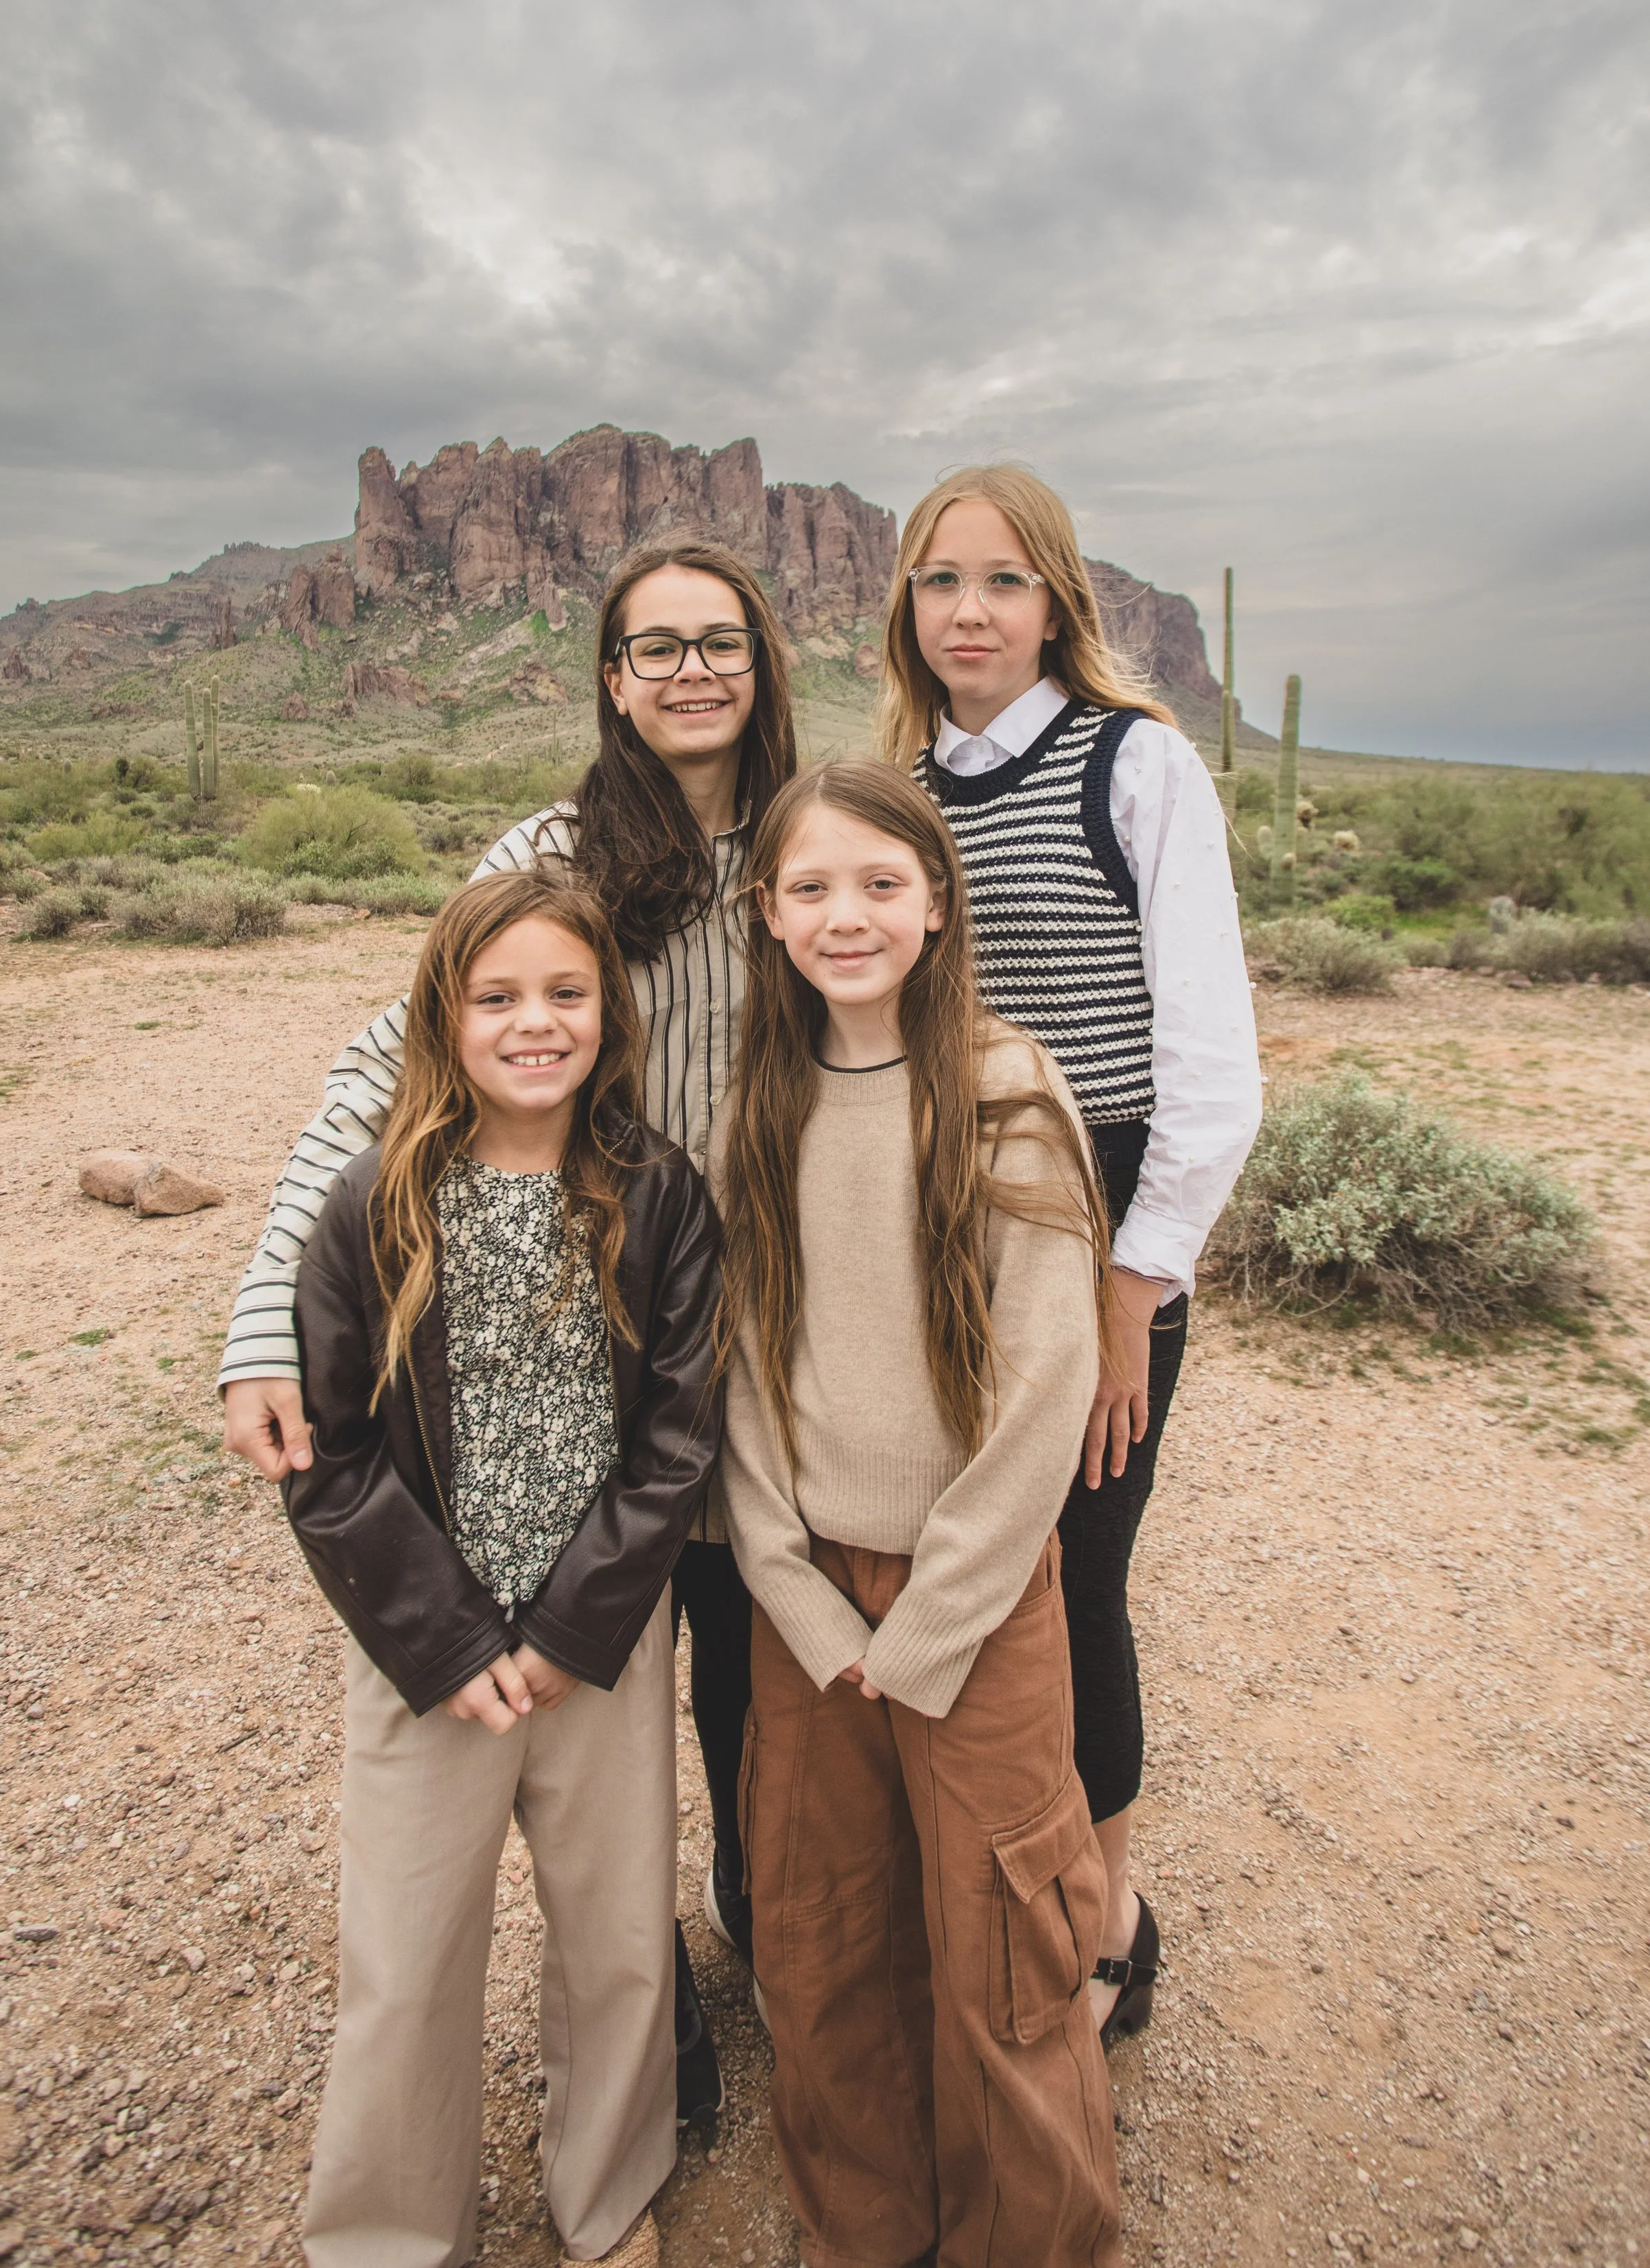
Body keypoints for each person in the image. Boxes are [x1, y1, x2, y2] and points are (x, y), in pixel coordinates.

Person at [219, 536, 796, 2120]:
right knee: (599, 1656)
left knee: (744, 1685)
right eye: (654, 646)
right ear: (611, 679)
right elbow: (377, 1068)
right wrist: (266, 1312)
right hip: (598, 1333)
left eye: (719, 640)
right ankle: (657, 2032)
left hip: (771, 1350)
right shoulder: (552, 844)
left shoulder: (805, 842)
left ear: (765, 661)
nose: (691, 670)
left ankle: (764, 1955)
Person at [717, 761, 1123, 2268]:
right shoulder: (754, 1102)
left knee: (1002, 1955)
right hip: (806, 1607)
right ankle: (864, 2232)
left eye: (880, 884)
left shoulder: (1007, 1089)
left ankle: (1030, 2242)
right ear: (765, 914)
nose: (846, 915)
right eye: (810, 888)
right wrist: (799, 1594)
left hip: (978, 1598)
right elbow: (741, 1374)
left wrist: (930, 1621)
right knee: (825, 1946)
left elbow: (1041, 1383)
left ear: (937, 906)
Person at [286, 866, 722, 2268]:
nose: (534, 1022)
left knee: (614, 1946)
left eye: (565, 993)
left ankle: (604, 2200)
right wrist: (453, 1642)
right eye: (497, 997)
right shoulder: (372, 1201)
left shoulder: (658, 1197)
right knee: (406, 1960)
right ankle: (386, 2234)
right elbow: (331, 1456)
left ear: (610, 1012)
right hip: (425, 1657)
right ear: (444, 1014)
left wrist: (567, 1628)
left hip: (596, 1643)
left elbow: (677, 1437)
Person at [875, 464, 1261, 2044]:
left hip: (1096, 1217)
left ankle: (1105, 1919)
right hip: (932, 1214)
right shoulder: (895, 784)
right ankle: (973, 1885)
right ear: (904, 607)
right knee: (956, 1553)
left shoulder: (1134, 763)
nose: (968, 611)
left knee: (1077, 1567)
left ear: (1056, 604)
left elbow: (1211, 1062)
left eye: (1003, 581)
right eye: (938, 582)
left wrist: (1131, 1293)